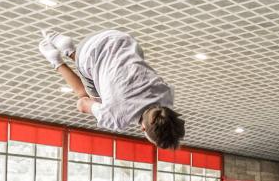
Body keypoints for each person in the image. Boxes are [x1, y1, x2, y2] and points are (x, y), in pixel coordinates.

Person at [38, 30, 185, 149]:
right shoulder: (117, 119)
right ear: (143, 129)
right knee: (91, 99)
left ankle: (66, 46)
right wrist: (98, 106)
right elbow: (82, 104)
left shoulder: (167, 96)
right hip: (87, 51)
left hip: (120, 38)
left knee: (114, 73)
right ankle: (58, 58)